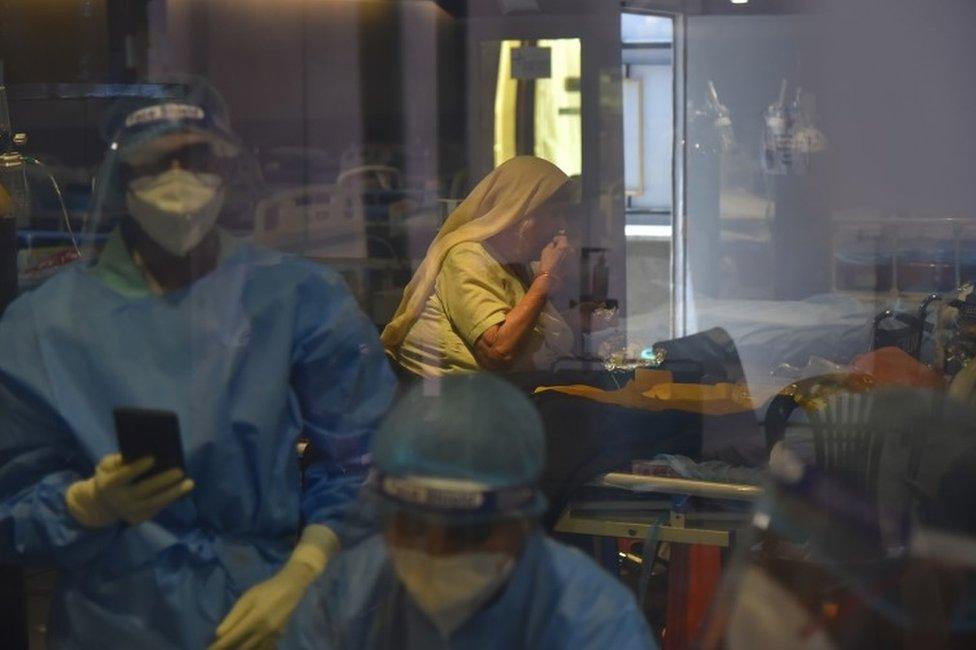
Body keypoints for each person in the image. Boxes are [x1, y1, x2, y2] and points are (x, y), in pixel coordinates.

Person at [0, 82, 396, 649]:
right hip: (117, 620)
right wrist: (83, 505)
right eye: (159, 161)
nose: (181, 178)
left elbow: (365, 457)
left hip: (269, 608)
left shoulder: (295, 297)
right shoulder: (47, 323)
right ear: (122, 178)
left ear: (229, 169)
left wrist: (305, 572)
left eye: (198, 158)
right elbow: (9, 500)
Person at [310, 373, 657, 649]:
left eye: (468, 533)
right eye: (412, 528)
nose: (435, 554)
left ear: (521, 524)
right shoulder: (346, 598)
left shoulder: (592, 618)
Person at [382, 156, 578, 377]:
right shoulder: (466, 258)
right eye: (554, 214)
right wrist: (545, 279)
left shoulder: (512, 263)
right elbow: (498, 352)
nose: (562, 225)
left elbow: (523, 327)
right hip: (457, 403)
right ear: (519, 214)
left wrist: (577, 320)